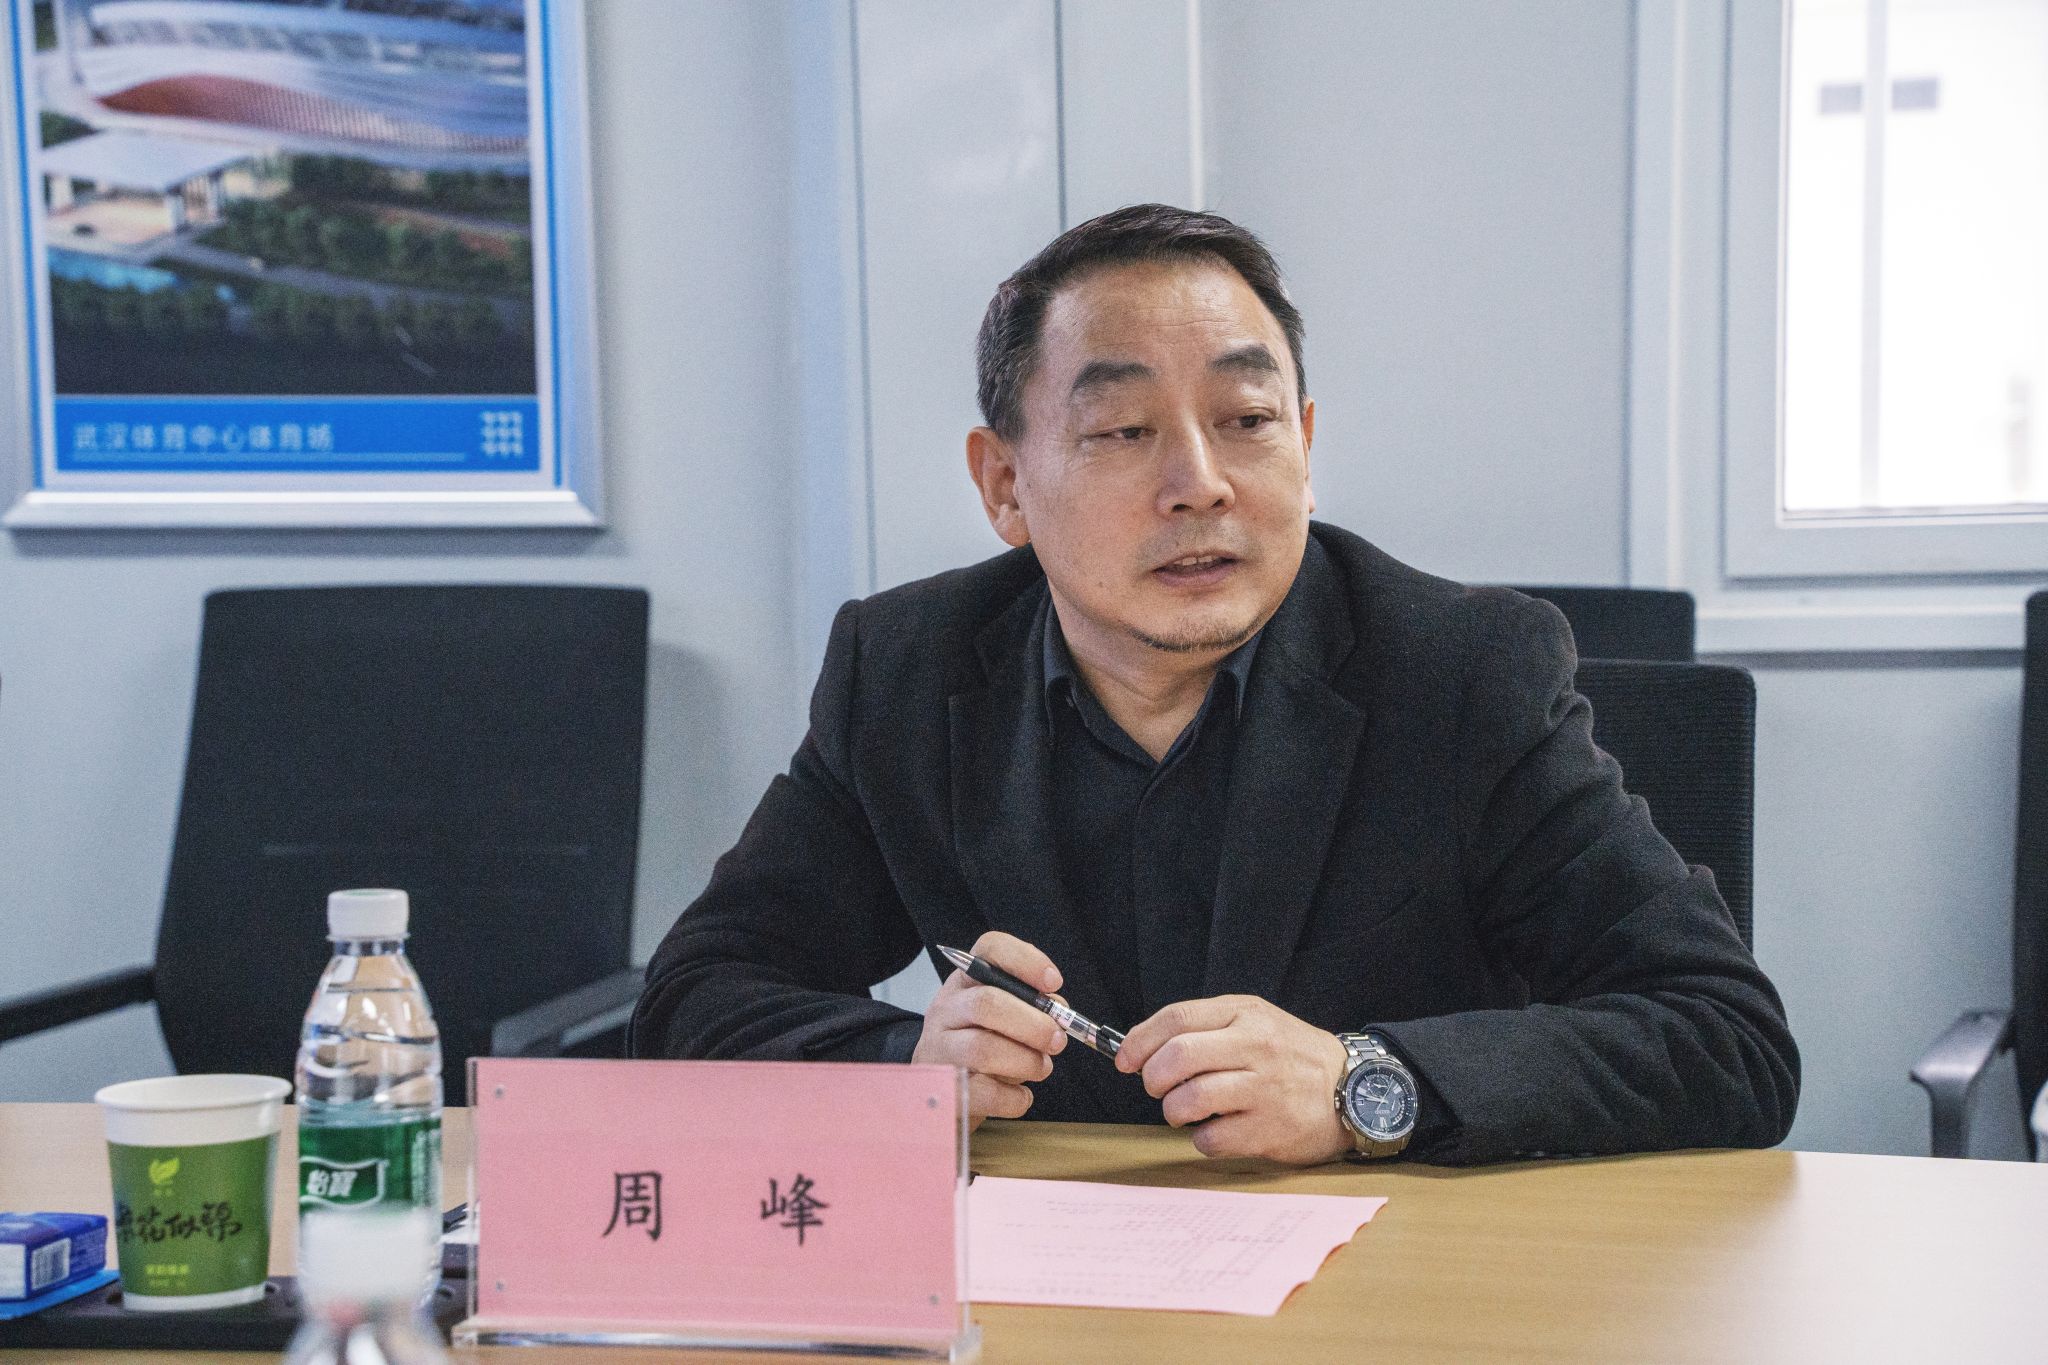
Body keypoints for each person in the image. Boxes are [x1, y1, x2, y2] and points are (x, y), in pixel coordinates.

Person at [631, 204, 1798, 1165]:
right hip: (1045, 1293)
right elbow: (695, 997)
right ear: (1002, 486)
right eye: (1121, 430)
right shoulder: (904, 671)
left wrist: (1363, 1083)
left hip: (1381, 1285)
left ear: (1303, 442)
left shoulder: (1459, 672)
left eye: (1245, 420)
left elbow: (1724, 1038)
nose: (1199, 483)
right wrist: (910, 1069)